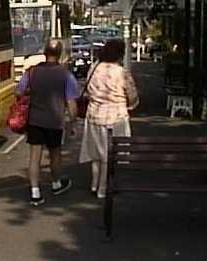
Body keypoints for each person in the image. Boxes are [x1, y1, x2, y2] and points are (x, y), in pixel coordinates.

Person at [16, 39, 80, 206]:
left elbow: (18, 91)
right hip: (55, 120)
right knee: (55, 154)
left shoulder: (32, 72)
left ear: (44, 53)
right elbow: (72, 103)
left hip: (35, 120)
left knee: (34, 156)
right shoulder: (66, 75)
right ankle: (56, 184)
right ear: (60, 55)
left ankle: (35, 192)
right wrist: (72, 122)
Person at [79, 39, 139, 199]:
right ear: (120, 53)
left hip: (94, 115)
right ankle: (104, 188)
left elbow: (88, 90)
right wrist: (131, 105)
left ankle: (94, 183)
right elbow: (132, 96)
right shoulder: (122, 72)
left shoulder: (94, 68)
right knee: (110, 155)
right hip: (116, 116)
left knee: (96, 153)